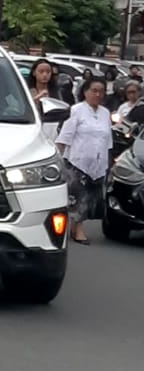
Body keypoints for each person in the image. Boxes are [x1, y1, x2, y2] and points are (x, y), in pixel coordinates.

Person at [56, 76, 111, 245]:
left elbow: (108, 140)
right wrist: (57, 159)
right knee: (78, 197)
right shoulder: (76, 110)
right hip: (77, 161)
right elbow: (65, 137)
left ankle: (76, 227)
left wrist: (110, 162)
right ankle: (77, 229)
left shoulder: (105, 113)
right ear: (85, 92)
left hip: (98, 162)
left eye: (101, 91)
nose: (97, 94)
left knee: (90, 199)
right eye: (94, 91)